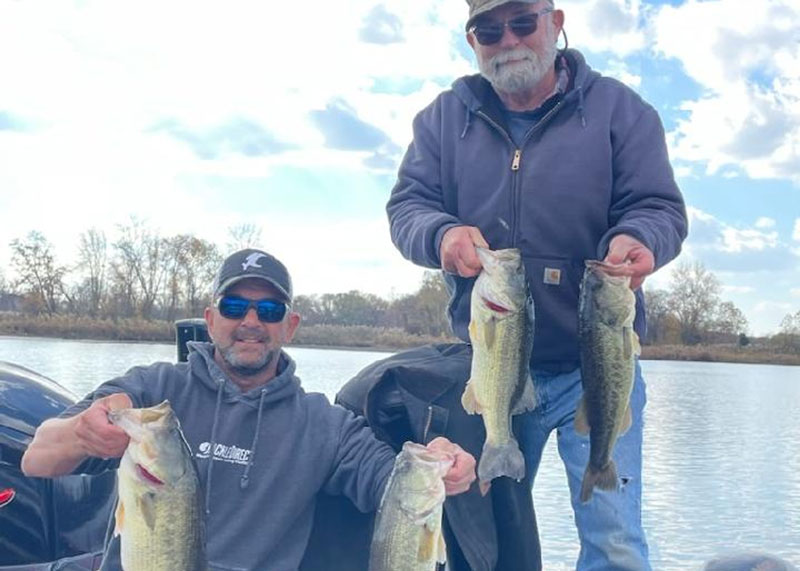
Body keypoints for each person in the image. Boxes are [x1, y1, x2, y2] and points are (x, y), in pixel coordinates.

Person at [386, 0, 688, 569]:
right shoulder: (443, 120)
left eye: (523, 21)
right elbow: (408, 208)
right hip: (494, 370)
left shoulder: (620, 111)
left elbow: (657, 206)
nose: (508, 40)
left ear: (555, 22)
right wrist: (440, 235)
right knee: (487, 540)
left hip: (595, 366)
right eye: (489, 29)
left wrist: (640, 237)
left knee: (615, 539)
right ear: (471, 41)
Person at [21, 248, 476, 571]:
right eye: (235, 306)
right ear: (212, 317)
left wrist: (441, 467)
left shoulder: (326, 427)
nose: (251, 322)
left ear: (290, 325)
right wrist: (82, 432)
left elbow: (395, 483)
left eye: (270, 309)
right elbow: (36, 458)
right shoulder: (152, 389)